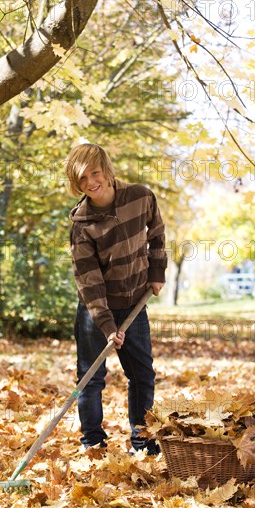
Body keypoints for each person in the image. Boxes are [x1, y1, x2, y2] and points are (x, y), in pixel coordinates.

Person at [66, 143, 167, 454]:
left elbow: (157, 235)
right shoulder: (82, 225)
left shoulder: (140, 196)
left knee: (142, 374)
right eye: (82, 179)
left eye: (94, 173)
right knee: (91, 377)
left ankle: (142, 442)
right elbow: (89, 280)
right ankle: (93, 442)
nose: (90, 183)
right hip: (97, 310)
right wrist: (108, 324)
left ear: (106, 169)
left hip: (134, 303)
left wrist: (157, 272)